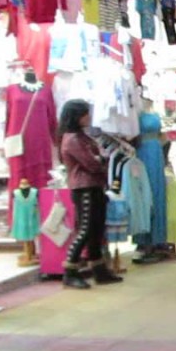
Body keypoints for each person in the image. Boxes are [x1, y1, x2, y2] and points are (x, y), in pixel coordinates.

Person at [58, 99, 122, 288]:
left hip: (92, 185)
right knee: (86, 230)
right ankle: (70, 271)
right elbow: (92, 163)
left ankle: (99, 269)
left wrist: (100, 159)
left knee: (96, 229)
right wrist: (101, 160)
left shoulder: (80, 137)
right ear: (77, 116)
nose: (89, 117)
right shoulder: (73, 139)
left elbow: (97, 158)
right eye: (85, 113)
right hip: (84, 187)